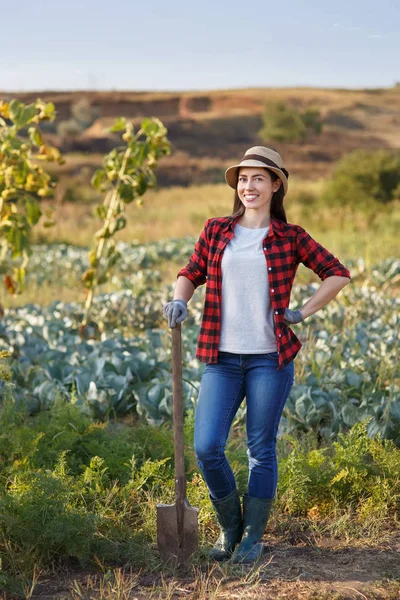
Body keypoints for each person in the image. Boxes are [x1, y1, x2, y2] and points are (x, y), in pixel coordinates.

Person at [163, 146, 351, 564]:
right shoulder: (216, 230)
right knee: (207, 445)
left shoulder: (291, 236)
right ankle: (230, 527)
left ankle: (252, 538)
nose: (249, 186)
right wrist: (180, 300)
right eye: (243, 179)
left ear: (276, 185)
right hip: (222, 357)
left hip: (271, 358)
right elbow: (190, 273)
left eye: (258, 179)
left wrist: (301, 311)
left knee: (259, 448)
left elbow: (337, 273)